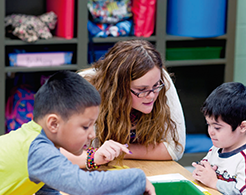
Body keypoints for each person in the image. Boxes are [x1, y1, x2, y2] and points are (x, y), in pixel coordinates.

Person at [0, 70, 155, 195]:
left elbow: (46, 190)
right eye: (85, 127)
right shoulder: (38, 150)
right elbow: (86, 185)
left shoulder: (36, 139)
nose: (92, 134)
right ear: (53, 124)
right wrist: (138, 178)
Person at [63, 39, 186, 167]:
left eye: (156, 86)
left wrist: (121, 151)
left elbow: (175, 149)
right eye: (141, 90)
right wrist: (94, 156)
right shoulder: (83, 89)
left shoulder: (158, 80)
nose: (151, 95)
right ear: (117, 88)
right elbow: (53, 153)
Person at [192, 82, 246, 195]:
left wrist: (214, 182)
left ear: (242, 126)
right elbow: (204, 171)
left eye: (217, 127)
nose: (210, 132)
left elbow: (245, 193)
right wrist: (201, 171)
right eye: (208, 125)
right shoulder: (216, 149)